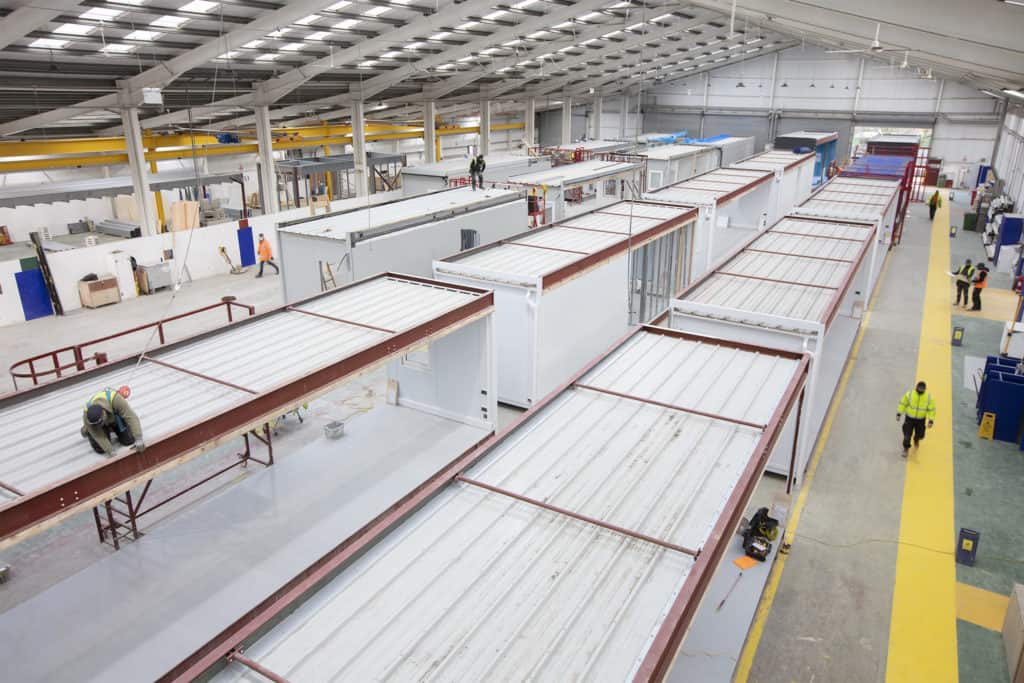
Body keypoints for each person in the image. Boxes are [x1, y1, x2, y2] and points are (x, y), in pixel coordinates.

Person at [81, 386, 143, 456]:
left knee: (129, 440)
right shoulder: (86, 416)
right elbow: (97, 435)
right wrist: (110, 452)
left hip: (114, 417)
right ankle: (87, 429)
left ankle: (108, 427)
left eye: (99, 423)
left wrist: (139, 438)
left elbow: (131, 417)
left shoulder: (116, 399)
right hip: (96, 425)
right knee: (100, 449)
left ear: (104, 414)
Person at [896, 381, 935, 457]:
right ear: (916, 387)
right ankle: (906, 448)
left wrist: (931, 420)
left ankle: (916, 439)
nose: (920, 390)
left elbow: (931, 410)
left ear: (925, 389)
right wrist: (899, 414)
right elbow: (903, 404)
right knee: (907, 435)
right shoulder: (909, 394)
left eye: (922, 389)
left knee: (920, 435)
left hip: (921, 420)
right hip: (909, 419)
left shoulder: (929, 397)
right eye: (919, 388)